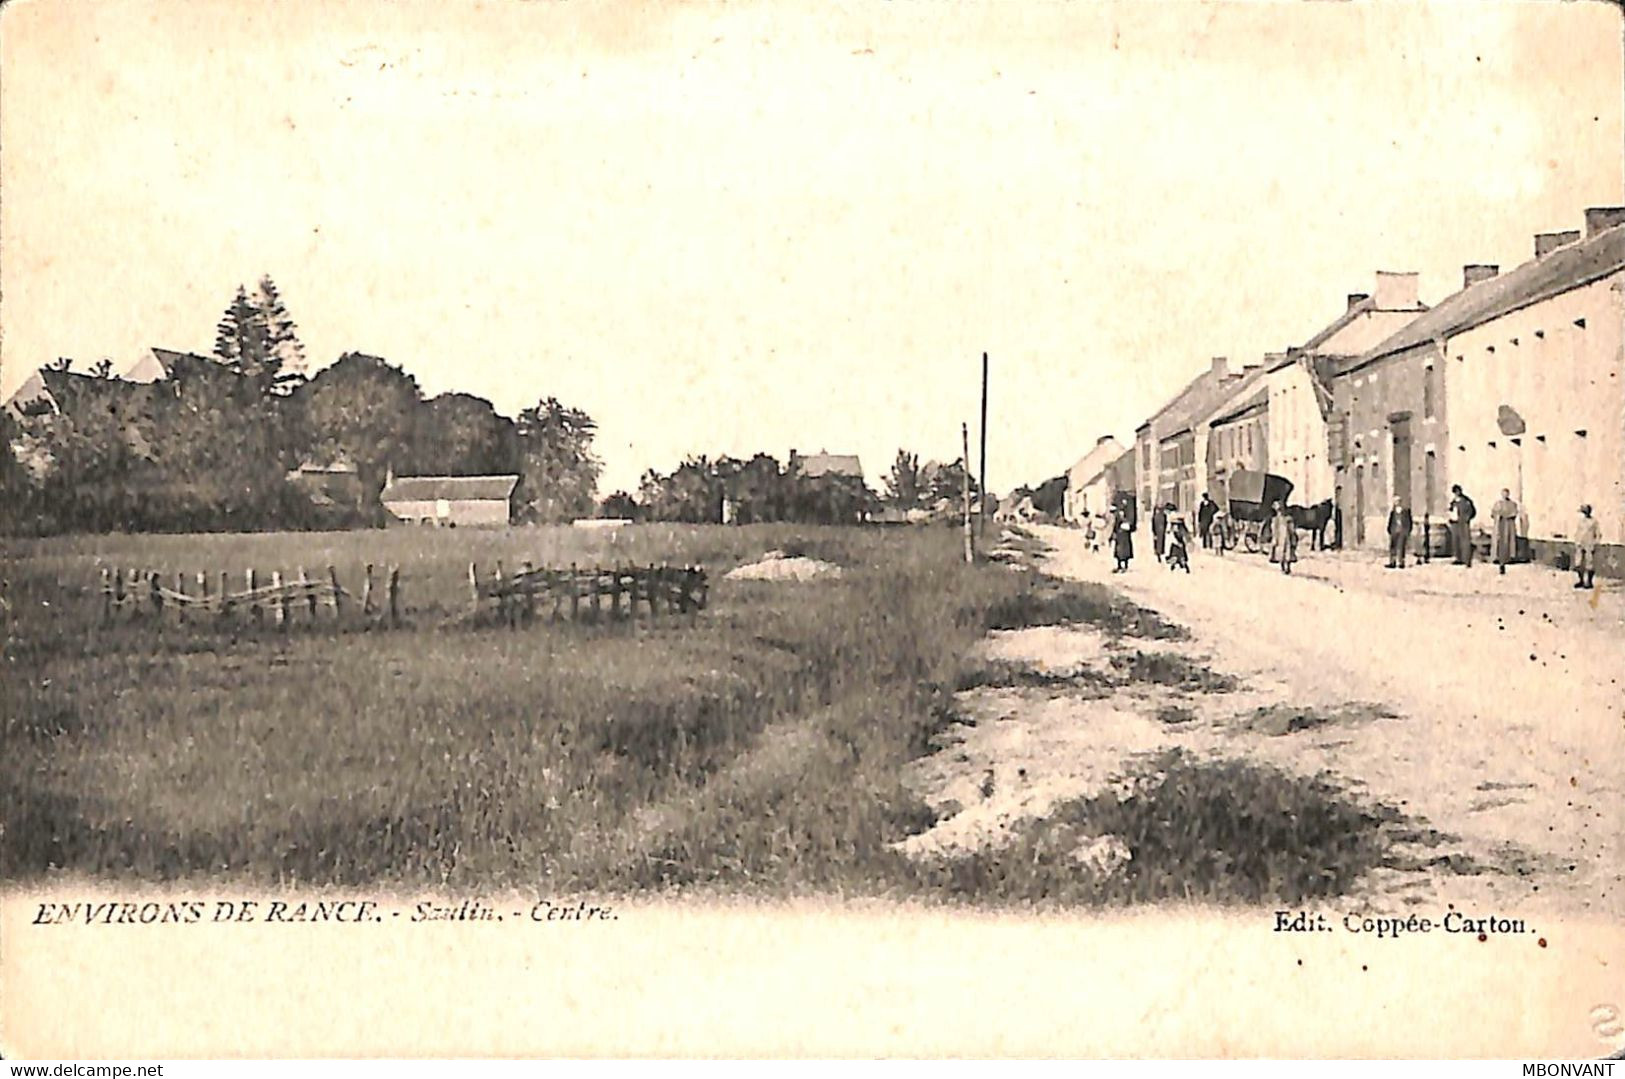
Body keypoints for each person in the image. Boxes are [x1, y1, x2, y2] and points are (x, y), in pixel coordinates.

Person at [1490, 489, 1519, 575]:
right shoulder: (1498, 503)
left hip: (1508, 525)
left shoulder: (1512, 504)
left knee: (1508, 540)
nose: (1505, 495)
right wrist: (1498, 515)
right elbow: (1493, 513)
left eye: (1506, 494)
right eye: (1503, 494)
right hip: (1500, 524)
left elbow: (1514, 513)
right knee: (1499, 540)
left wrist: (1508, 515)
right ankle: (1497, 557)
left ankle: (1508, 557)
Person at [1449, 484, 1477, 567]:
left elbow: (1472, 511)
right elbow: (1451, 510)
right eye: (1455, 492)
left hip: (1463, 523)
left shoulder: (1466, 501)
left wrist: (1467, 518)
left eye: (1457, 491)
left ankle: (1466, 559)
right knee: (1456, 540)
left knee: (1465, 541)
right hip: (1455, 523)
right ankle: (1458, 558)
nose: (1456, 493)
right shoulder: (1453, 501)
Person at [1573, 504, 1600, 590]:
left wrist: (1595, 543)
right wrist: (1577, 542)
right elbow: (1578, 532)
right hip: (1581, 543)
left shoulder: (1594, 521)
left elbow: (1598, 534)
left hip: (1589, 543)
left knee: (1589, 563)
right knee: (1578, 563)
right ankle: (1581, 580)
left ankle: (1589, 582)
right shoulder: (1581, 521)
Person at [1270, 500, 1298, 575]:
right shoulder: (1276, 520)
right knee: (1282, 552)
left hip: (1287, 538)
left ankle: (1288, 567)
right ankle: (1283, 567)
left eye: (1281, 510)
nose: (1280, 512)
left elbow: (1292, 529)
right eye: (1278, 510)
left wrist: (1293, 536)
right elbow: (1274, 529)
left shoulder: (1288, 519)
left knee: (1288, 552)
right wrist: (1275, 538)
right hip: (1281, 538)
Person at [1386, 497, 1413, 569]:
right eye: (1395, 502)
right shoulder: (1393, 512)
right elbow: (1390, 522)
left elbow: (1409, 522)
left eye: (1397, 501)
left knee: (1402, 547)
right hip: (1394, 531)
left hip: (1402, 531)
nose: (1396, 503)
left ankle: (1401, 562)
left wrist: (1408, 530)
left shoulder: (1406, 511)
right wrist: (1389, 530)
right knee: (1393, 547)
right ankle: (1392, 562)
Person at [1111, 505, 1134, 573]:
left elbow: (1131, 525)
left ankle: (1125, 566)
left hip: (1125, 536)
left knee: (1125, 552)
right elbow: (1115, 526)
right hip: (1120, 536)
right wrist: (1114, 533)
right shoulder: (1117, 517)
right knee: (1119, 552)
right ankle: (1119, 566)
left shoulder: (1128, 518)